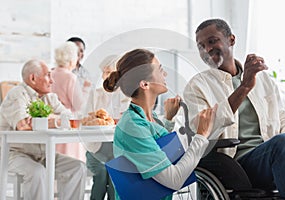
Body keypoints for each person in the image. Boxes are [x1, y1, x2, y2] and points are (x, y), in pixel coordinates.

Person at [183, 18, 285, 200]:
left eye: (212, 41)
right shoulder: (198, 85)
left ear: (231, 39)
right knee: (283, 143)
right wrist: (244, 87)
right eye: (201, 46)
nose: (206, 49)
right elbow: (202, 130)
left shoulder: (262, 79)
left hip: (271, 154)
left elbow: (282, 115)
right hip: (236, 165)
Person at [103, 48, 217, 200]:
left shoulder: (149, 117)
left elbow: (157, 147)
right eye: (160, 70)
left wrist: (168, 120)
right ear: (144, 84)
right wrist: (201, 136)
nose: (165, 74)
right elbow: (173, 180)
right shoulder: (132, 126)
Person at [0, 59, 87, 200]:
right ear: (33, 78)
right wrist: (54, 120)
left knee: (78, 168)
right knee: (37, 172)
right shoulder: (17, 94)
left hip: (43, 155)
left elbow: (68, 118)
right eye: (48, 75)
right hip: (14, 154)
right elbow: (23, 125)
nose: (52, 81)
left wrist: (49, 119)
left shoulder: (49, 97)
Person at [85, 55, 130, 200]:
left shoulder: (126, 95)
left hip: (117, 146)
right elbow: (85, 120)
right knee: (100, 174)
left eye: (108, 71)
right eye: (103, 72)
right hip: (95, 146)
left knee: (115, 174)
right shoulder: (95, 94)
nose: (105, 76)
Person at [52, 41, 85, 160]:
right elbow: (79, 105)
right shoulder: (70, 77)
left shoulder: (50, 74)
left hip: (51, 124)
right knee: (72, 165)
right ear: (72, 59)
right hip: (67, 125)